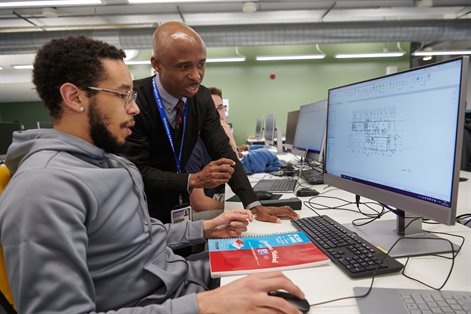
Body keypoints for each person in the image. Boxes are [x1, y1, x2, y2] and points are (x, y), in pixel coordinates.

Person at [0, 36, 306, 313]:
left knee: (293, 261)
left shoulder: (111, 163)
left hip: (179, 281)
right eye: (122, 95)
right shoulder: (42, 189)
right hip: (162, 300)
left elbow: (139, 236)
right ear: (75, 97)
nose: (134, 109)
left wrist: (205, 229)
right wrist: (206, 305)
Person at [124, 21, 298, 223]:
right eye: (184, 66)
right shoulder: (134, 101)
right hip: (143, 208)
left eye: (201, 64)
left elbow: (224, 152)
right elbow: (136, 170)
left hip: (181, 207)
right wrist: (192, 180)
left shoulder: (201, 98)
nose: (196, 76)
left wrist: (253, 204)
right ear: (157, 64)